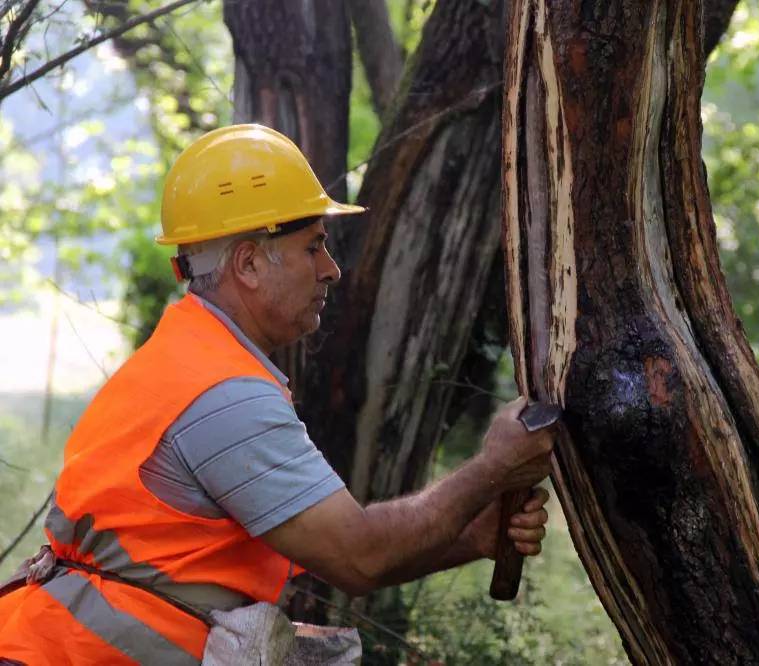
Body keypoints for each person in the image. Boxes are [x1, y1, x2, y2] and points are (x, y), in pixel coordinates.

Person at [0, 124, 554, 664]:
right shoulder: (224, 397)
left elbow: (322, 545)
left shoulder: (183, 360)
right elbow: (360, 557)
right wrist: (492, 468)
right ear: (248, 263)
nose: (331, 270)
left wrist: (471, 535)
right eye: (314, 246)